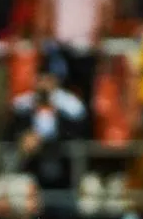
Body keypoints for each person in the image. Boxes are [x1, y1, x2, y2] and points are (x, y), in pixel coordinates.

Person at [35, 0, 114, 121]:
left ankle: (85, 143)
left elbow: (106, 12)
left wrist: (99, 41)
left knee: (87, 101)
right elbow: (45, 11)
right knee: (59, 101)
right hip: (60, 48)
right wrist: (43, 43)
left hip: (87, 49)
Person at [10, 69, 88, 197]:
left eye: (48, 81)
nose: (44, 86)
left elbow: (79, 133)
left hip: (61, 163)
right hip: (31, 164)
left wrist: (45, 140)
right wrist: (23, 136)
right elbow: (12, 133)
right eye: (41, 81)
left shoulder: (70, 107)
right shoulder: (22, 108)